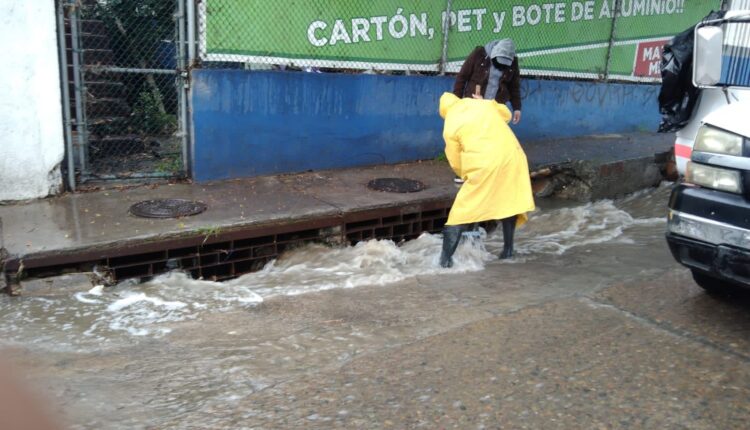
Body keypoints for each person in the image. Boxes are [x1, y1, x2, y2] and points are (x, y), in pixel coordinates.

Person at [438, 92, 535, 267]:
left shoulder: (450, 122)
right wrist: (484, 102)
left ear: (444, 111)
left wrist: (464, 175)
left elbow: (454, 158)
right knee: (509, 202)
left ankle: (444, 263)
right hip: (514, 157)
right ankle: (508, 251)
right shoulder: (483, 104)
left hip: (485, 165)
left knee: (459, 213)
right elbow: (505, 114)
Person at [451, 38, 522, 185]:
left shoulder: (513, 62)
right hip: (474, 104)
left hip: (494, 108)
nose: (501, 66)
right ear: (494, 54)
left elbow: (514, 86)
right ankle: (463, 173)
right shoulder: (479, 54)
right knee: (469, 139)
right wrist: (456, 101)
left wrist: (517, 108)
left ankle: (485, 173)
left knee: (490, 141)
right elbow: (462, 77)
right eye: (499, 62)